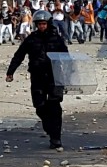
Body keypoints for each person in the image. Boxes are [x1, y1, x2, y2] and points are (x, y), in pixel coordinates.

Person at [6, 10, 68, 149]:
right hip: (38, 77)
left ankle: (56, 138)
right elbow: (19, 55)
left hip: (54, 77)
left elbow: (66, 58)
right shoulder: (31, 39)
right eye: (39, 24)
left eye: (44, 24)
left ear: (48, 24)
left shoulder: (57, 39)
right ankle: (49, 128)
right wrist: (10, 72)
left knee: (55, 108)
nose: (42, 27)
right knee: (40, 107)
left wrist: (70, 75)